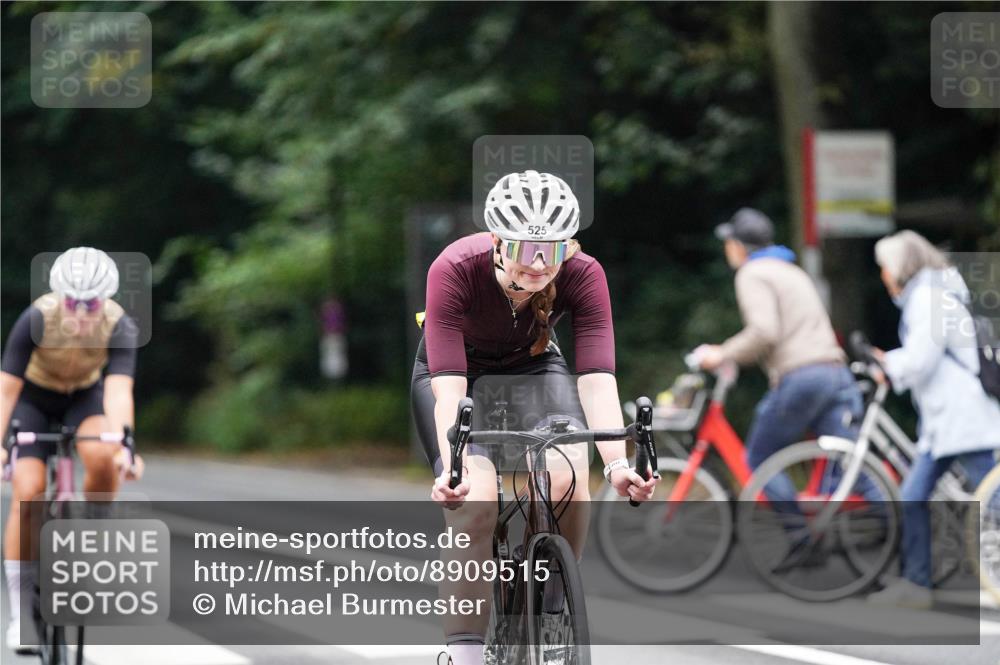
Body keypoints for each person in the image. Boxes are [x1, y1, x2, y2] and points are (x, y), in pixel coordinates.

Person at [412, 170, 657, 665]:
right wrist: (453, 470)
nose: (541, 266)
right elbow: (450, 388)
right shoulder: (455, 267)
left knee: (570, 477)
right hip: (457, 376)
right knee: (476, 505)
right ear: (499, 243)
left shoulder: (584, 273)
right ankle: (465, 654)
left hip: (535, 366)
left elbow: (596, 377)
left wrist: (616, 464)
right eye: (528, 251)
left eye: (555, 250)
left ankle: (550, 607)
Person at [0, 247, 145, 652]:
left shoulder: (120, 325)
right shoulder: (35, 318)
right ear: (59, 297)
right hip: (32, 399)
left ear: (107, 300)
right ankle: (21, 612)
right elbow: (6, 390)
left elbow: (118, 391)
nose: (81, 314)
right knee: (27, 493)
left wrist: (125, 447)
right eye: (73, 303)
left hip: (83, 396)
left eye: (91, 304)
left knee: (103, 457)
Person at [866, 230, 1000, 609]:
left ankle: (918, 584)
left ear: (900, 268)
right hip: (949, 423)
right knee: (918, 496)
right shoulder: (935, 292)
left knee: (990, 501)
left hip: (963, 420)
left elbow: (922, 358)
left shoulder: (928, 298)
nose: (883, 277)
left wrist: (887, 364)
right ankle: (916, 584)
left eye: (884, 268)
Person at [695, 208, 863, 486]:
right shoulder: (790, 270)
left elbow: (764, 331)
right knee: (851, 467)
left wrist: (721, 354)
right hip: (834, 373)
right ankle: (897, 523)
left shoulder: (752, 273)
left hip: (801, 377)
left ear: (738, 246)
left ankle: (798, 530)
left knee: (760, 459)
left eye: (728, 242)